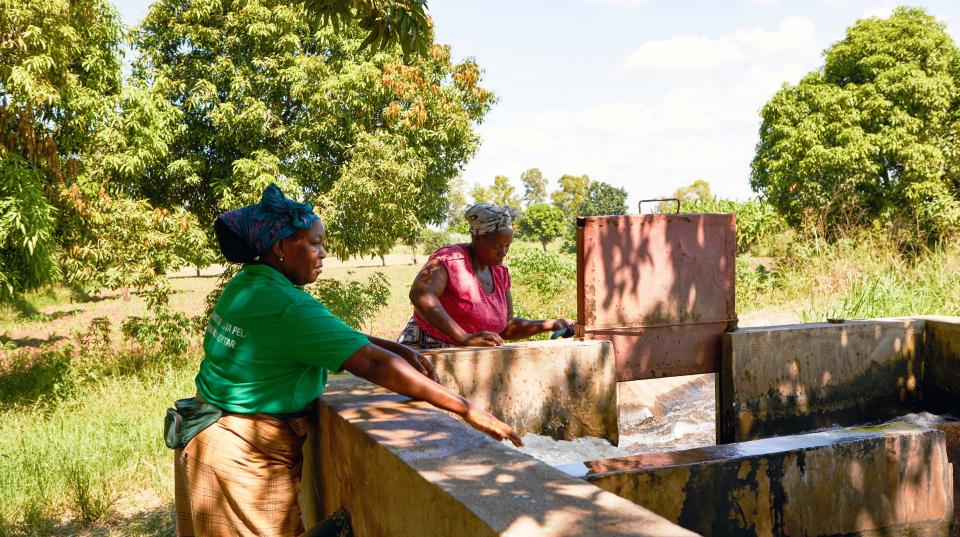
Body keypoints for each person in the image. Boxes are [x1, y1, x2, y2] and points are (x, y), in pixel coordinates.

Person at [170, 184, 521, 537]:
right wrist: (466, 409)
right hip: (241, 454)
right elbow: (372, 364)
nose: (323, 254)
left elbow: (328, 334)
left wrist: (397, 347)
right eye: (314, 243)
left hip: (209, 437)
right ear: (279, 247)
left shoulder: (248, 286)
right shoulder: (290, 306)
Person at [398, 203, 572, 349]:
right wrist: (463, 337)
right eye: (497, 246)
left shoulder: (499, 273)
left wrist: (550, 324)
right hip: (428, 352)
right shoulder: (451, 260)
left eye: (507, 246)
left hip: (471, 360)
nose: (503, 253)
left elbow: (505, 327)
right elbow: (421, 294)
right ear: (478, 237)